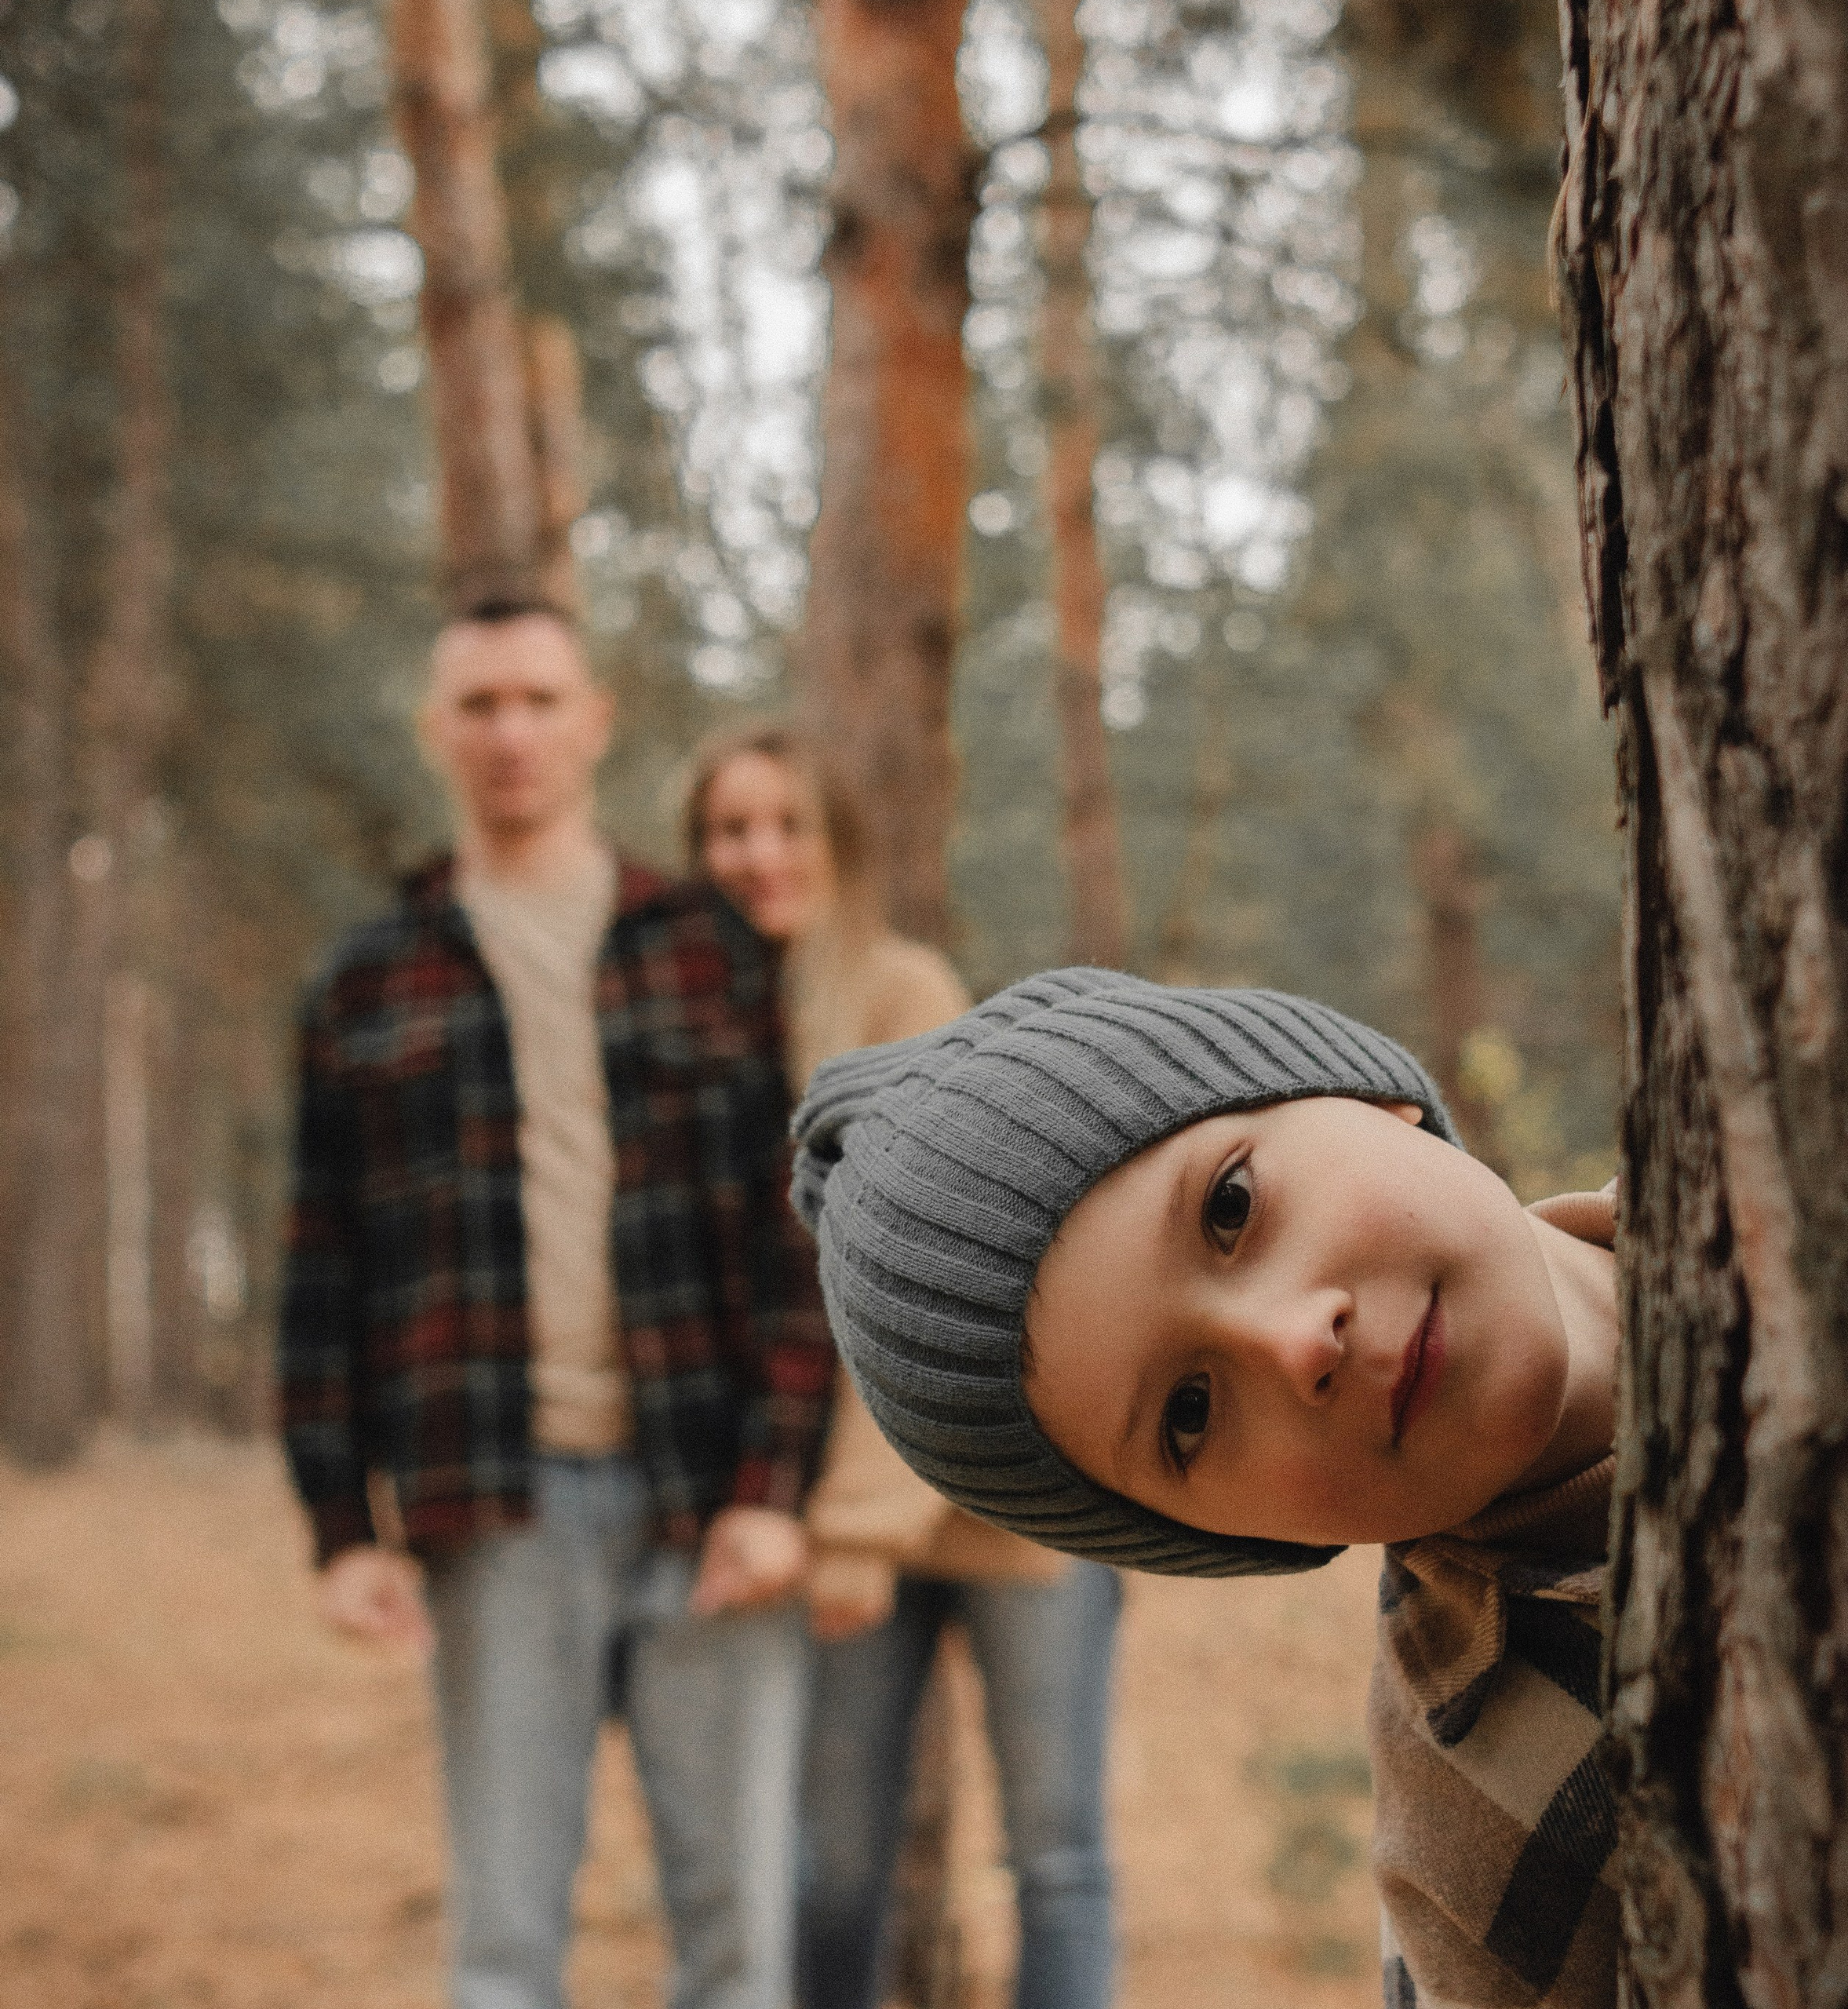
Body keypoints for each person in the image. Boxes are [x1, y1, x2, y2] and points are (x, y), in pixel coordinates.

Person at [789, 968, 1622, 2009]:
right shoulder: (1483, 1864)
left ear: (1364, 1092)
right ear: (1237, 1540)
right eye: (1190, 1413)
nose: (1291, 1345)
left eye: (1232, 1207)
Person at [279, 605, 833, 2009]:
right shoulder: (365, 981)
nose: (510, 732)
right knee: (508, 1943)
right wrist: (341, 1525)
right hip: (495, 1507)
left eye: (539, 699)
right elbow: (321, 1270)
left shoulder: (709, 950)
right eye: (478, 705)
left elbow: (796, 1249)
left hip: (709, 1497)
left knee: (736, 1945)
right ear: (436, 733)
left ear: (593, 721)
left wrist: (774, 1487)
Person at [681, 723, 1123, 2009]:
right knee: (832, 1869)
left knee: (1055, 1855)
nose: (759, 855)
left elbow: (926, 1270)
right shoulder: (713, 1020)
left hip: (1003, 1488)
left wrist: (864, 1524)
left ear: (839, 847)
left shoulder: (899, 992)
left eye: (787, 825)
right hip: (840, 1519)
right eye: (730, 830)